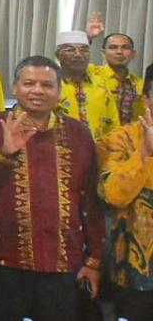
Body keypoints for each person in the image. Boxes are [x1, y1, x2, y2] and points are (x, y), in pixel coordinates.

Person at [0, 56, 104, 321]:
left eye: (47, 85)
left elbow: (89, 201)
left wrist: (95, 259)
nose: (38, 91)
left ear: (59, 90)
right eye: (29, 83)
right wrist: (5, 154)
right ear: (15, 87)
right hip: (4, 261)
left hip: (64, 261)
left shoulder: (79, 134)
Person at [96, 62, 153, 320]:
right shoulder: (121, 138)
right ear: (146, 98)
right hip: (135, 273)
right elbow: (112, 194)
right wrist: (144, 153)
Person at [55, 30, 119, 140]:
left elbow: (113, 126)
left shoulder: (101, 85)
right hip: (59, 153)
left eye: (84, 50)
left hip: (97, 153)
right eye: (70, 50)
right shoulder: (50, 86)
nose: (78, 54)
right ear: (58, 55)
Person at [85, 16, 145, 124]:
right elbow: (71, 60)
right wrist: (88, 38)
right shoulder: (91, 73)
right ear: (103, 53)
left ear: (133, 54)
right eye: (113, 47)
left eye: (125, 48)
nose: (119, 52)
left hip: (127, 138)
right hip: (95, 137)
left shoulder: (140, 84)